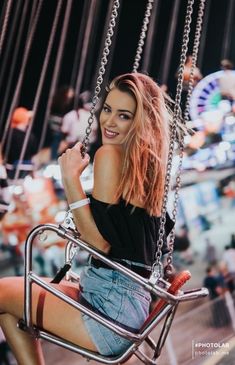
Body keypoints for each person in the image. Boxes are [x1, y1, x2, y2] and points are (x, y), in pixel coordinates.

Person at [0, 72, 175, 363]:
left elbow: (99, 245)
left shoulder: (111, 156)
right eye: (107, 109)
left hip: (109, 308)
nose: (108, 122)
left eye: (123, 116)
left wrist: (71, 180)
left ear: (141, 121)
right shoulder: (147, 164)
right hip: (128, 304)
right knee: (10, 308)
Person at [1, 107, 37, 180]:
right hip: (24, 172)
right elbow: (33, 154)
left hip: (9, 170)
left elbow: (3, 151)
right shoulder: (31, 137)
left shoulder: (8, 134)